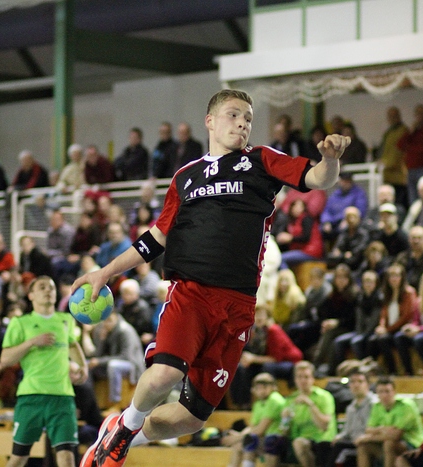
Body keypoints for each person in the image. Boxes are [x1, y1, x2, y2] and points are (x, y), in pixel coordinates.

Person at [76, 89, 349, 467]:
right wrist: (105, 272)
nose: (242, 123)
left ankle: (122, 433)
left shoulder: (261, 160)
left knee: (191, 419)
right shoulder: (185, 177)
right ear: (210, 121)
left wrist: (330, 159)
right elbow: (156, 238)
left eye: (248, 118)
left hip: (239, 305)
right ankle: (125, 430)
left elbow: (318, 178)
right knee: (163, 375)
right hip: (191, 292)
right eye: (233, 115)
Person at [0, 275, 88, 467]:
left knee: (67, 457)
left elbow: (72, 344)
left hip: (62, 397)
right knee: (19, 458)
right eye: (42, 287)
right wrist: (32, 342)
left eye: (51, 287)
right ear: (30, 295)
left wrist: (83, 366)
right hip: (31, 397)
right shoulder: (20, 323)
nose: (48, 290)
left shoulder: (66, 320)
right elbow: (5, 359)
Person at [229, 304, 302, 409]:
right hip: (265, 361)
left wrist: (253, 359)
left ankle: (269, 400)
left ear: (267, 317)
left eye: (262, 315)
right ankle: (241, 404)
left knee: (267, 367)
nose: (259, 318)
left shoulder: (273, 330)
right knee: (239, 368)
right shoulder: (254, 332)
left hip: (289, 363)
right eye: (256, 314)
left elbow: (275, 358)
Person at [269, 361, 336, 467]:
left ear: (312, 379)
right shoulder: (291, 400)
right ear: (295, 380)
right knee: (269, 441)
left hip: (321, 439)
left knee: (299, 443)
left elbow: (324, 426)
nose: (303, 380)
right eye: (299, 377)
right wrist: (285, 419)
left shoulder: (324, 396)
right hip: (296, 439)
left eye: (306, 377)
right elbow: (284, 431)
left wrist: (311, 405)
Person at [83, 311, 146, 412]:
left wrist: (100, 361)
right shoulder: (105, 330)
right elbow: (97, 355)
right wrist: (102, 340)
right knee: (86, 364)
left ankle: (116, 403)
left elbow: (126, 356)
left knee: (113, 366)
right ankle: (90, 404)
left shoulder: (125, 330)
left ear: (116, 318)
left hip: (133, 365)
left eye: (109, 320)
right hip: (114, 361)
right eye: (104, 321)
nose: (106, 323)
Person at [356, 377, 423, 467]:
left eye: (387, 391)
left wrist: (368, 438)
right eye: (381, 392)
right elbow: (368, 429)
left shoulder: (406, 406)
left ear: (394, 392)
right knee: (363, 446)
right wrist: (382, 429)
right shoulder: (377, 406)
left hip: (413, 445)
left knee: (389, 444)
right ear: (377, 393)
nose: (384, 395)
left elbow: (396, 435)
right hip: (387, 444)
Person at [223, 372, 286, 467]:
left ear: (273, 387)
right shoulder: (258, 404)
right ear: (253, 389)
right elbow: (252, 427)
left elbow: (260, 430)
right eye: (258, 388)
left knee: (249, 442)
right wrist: (239, 435)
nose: (262, 391)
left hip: (277, 439)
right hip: (265, 439)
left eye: (265, 387)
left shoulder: (274, 400)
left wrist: (237, 438)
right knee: (239, 445)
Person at [368, 263, 417, 375]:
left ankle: (408, 371)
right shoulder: (387, 293)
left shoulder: (409, 292)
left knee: (397, 338)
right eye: (391, 276)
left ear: (402, 277)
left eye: (396, 276)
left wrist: (387, 329)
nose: (393, 279)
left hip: (403, 328)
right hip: (389, 328)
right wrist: (381, 326)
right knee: (374, 340)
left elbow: (406, 316)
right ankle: (388, 370)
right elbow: (384, 313)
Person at [326, 369, 374, 467]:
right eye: (353, 382)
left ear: (368, 385)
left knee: (339, 446)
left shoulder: (374, 404)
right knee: (324, 445)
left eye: (360, 381)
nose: (356, 385)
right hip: (351, 440)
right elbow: (347, 431)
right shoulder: (350, 407)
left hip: (366, 441)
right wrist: (339, 436)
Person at [398, 104, 423, 204]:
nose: (420, 116)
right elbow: (400, 145)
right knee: (413, 199)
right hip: (411, 169)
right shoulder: (411, 132)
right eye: (418, 114)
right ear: (415, 116)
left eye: (422, 114)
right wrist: (410, 132)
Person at [377, 107, 408, 207]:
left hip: (399, 176)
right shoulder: (388, 133)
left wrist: (388, 164)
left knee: (399, 205)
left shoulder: (403, 131)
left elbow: (399, 152)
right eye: (390, 116)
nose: (391, 118)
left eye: (394, 116)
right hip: (388, 175)